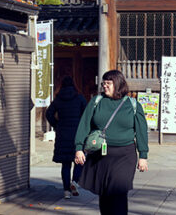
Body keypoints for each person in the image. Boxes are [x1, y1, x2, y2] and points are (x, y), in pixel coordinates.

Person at [74, 70, 149, 215]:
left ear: (118, 84)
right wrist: (78, 148)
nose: (105, 86)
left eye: (108, 83)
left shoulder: (132, 105)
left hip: (125, 155)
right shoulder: (96, 102)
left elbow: (141, 131)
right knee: (105, 192)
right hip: (101, 155)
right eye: (103, 83)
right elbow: (84, 125)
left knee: (119, 191)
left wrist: (143, 156)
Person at [46, 76, 87, 199]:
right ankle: (74, 182)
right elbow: (86, 114)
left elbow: (48, 113)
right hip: (77, 133)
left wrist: (56, 124)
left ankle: (66, 191)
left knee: (66, 164)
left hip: (63, 133)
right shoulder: (79, 98)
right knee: (79, 161)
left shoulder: (58, 99)